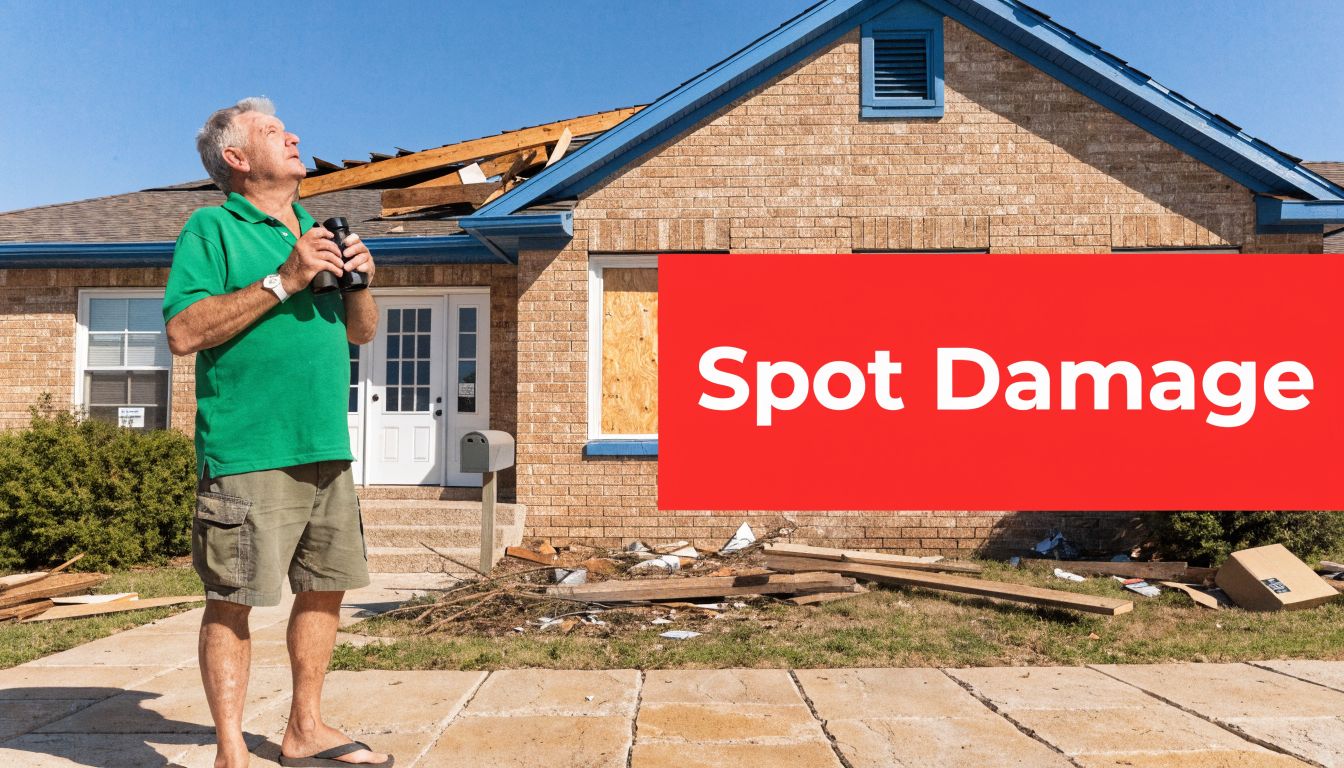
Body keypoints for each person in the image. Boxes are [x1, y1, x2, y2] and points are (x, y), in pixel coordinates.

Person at [163, 97, 391, 768]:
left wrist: (360, 283)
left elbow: (362, 332)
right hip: (250, 449)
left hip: (324, 442)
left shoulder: (315, 228)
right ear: (237, 159)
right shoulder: (213, 229)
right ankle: (231, 749)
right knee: (234, 600)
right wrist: (283, 278)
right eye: (271, 132)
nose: (293, 136)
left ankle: (305, 728)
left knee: (325, 587)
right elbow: (183, 332)